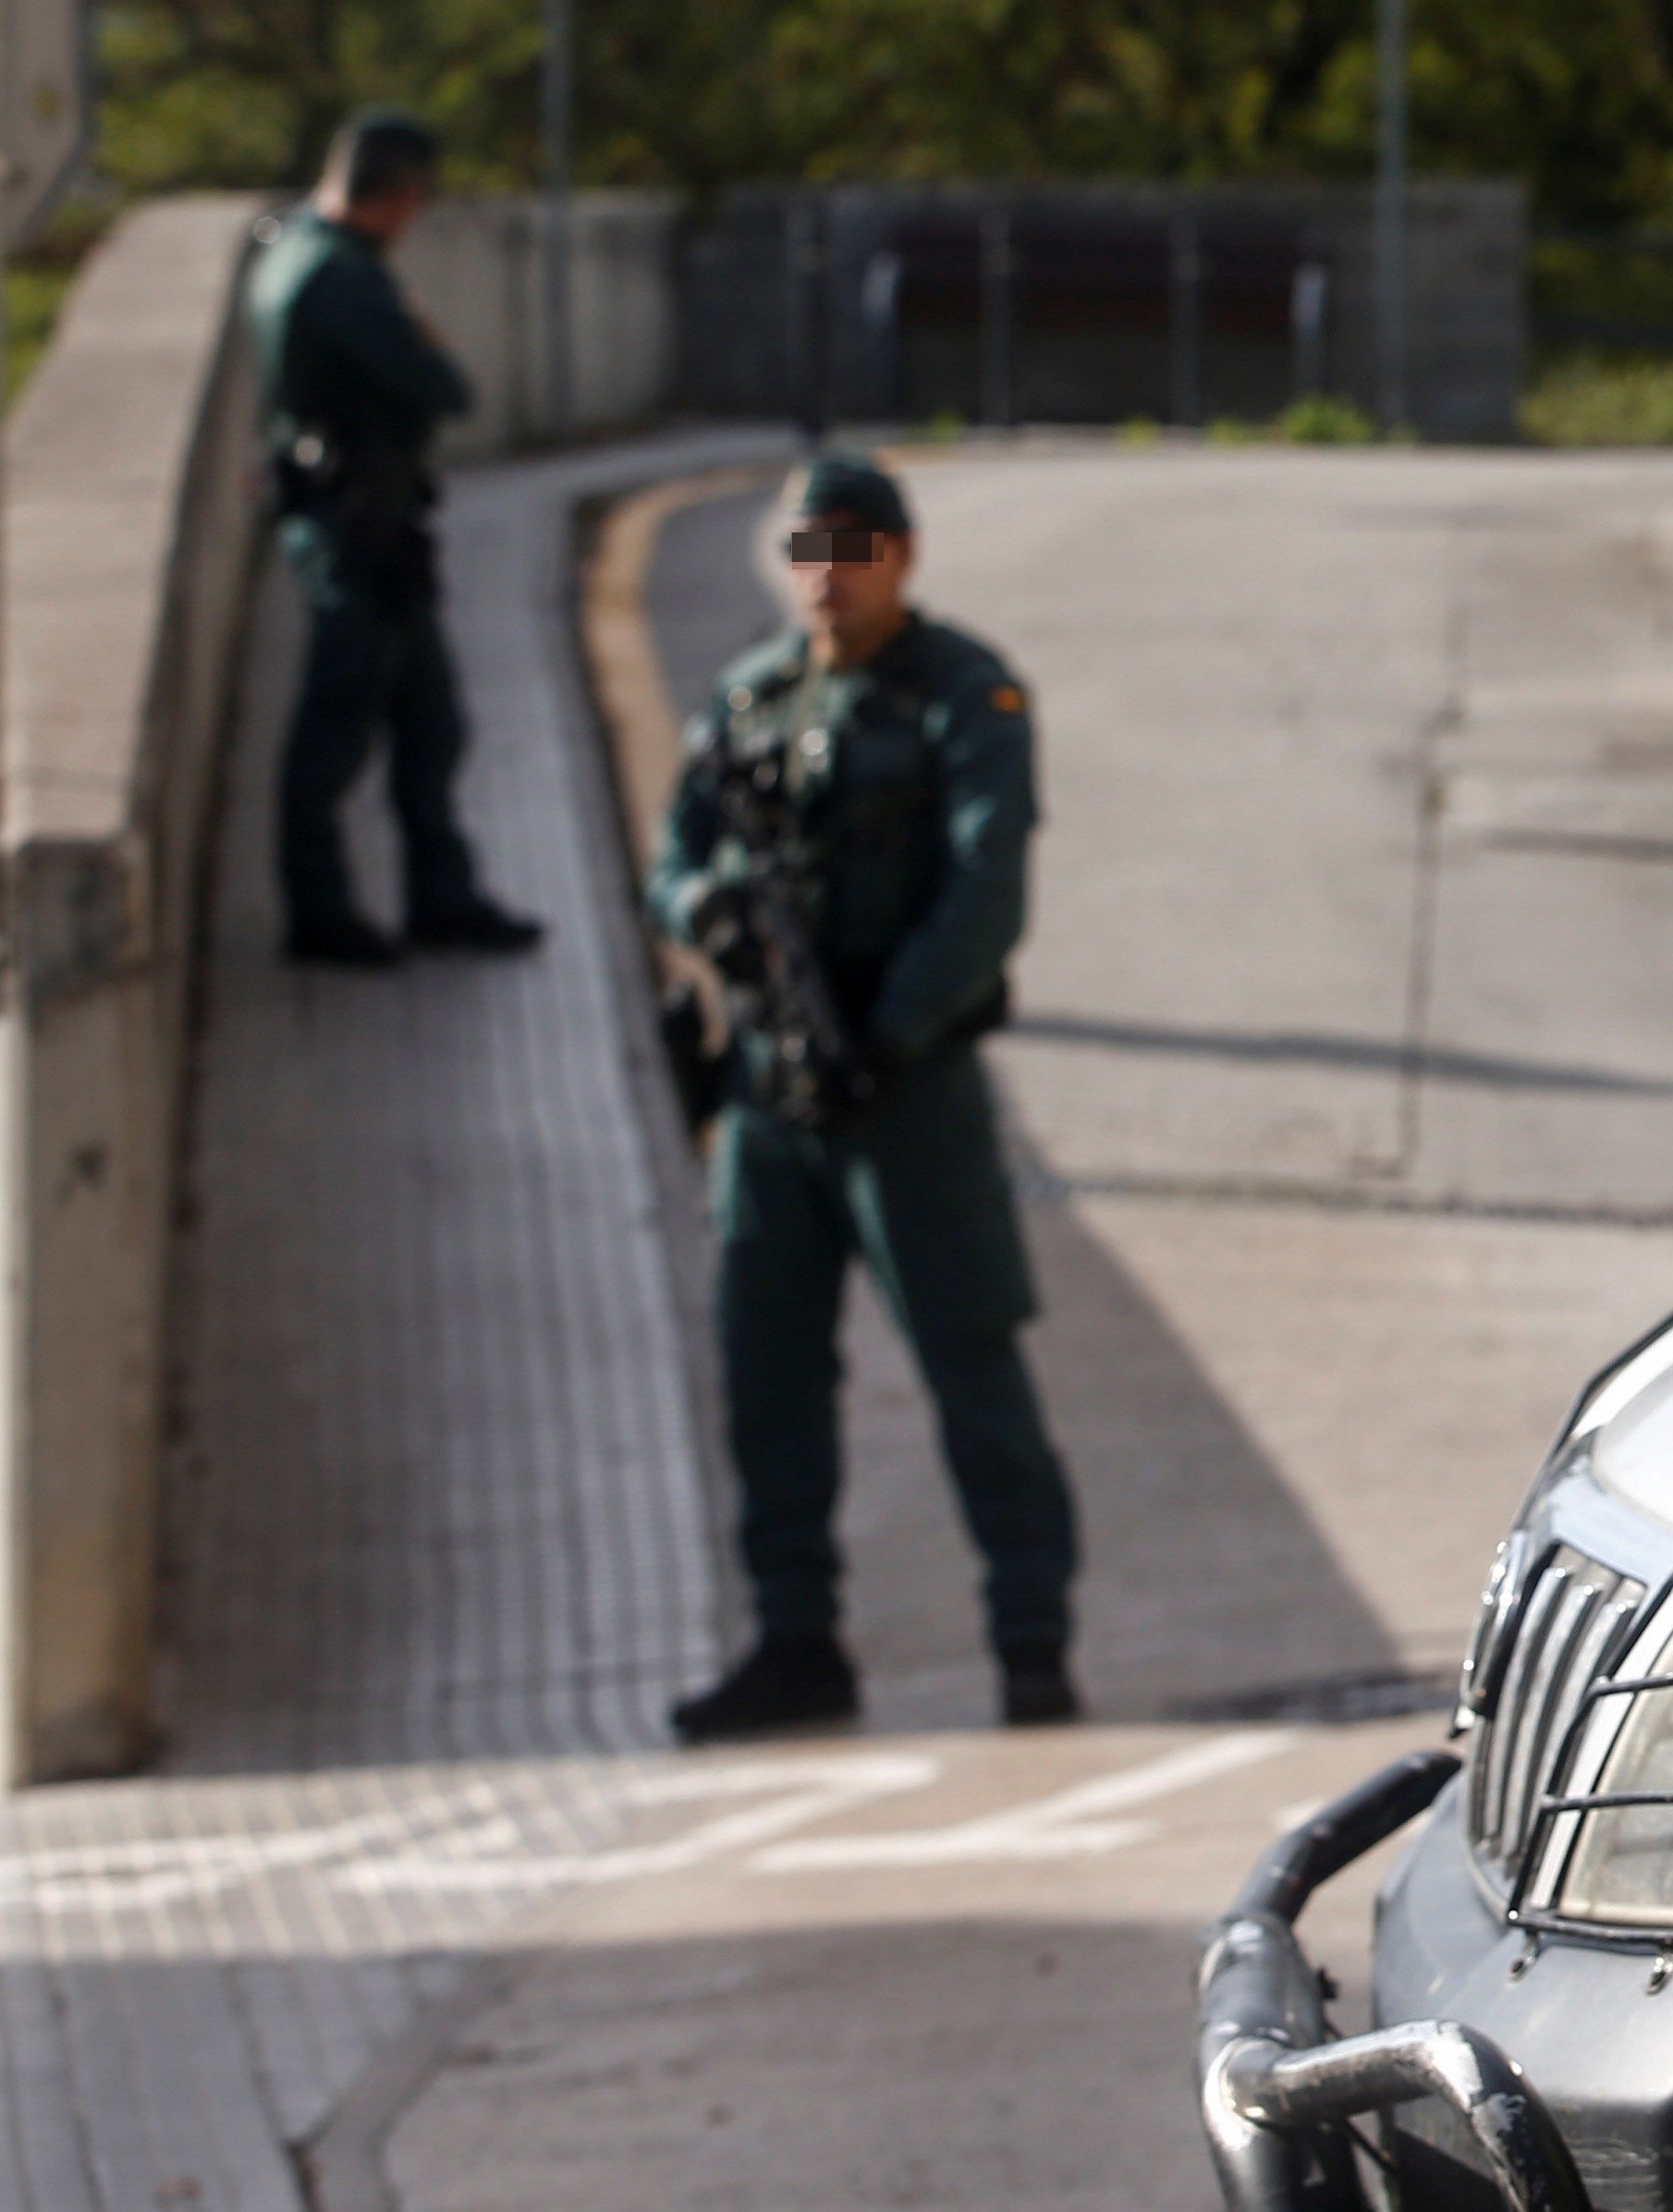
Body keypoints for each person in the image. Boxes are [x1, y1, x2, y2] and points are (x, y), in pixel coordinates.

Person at [650, 453, 1081, 1740]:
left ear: (902, 553)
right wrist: (702, 910)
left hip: (907, 1089)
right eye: (807, 552)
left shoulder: (962, 693)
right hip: (774, 1094)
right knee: (765, 1374)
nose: (827, 577)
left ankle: (1032, 1645)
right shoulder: (749, 698)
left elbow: (985, 891)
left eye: (853, 548)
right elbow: (673, 860)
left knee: (973, 1367)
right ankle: (794, 1641)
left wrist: (886, 1032)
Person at [249, 108, 543, 965]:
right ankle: (321, 913)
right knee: (338, 723)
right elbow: (443, 387)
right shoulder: (345, 277)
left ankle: (441, 897)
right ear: (402, 196)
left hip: (363, 521)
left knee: (431, 721)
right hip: (357, 525)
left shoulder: (294, 250)